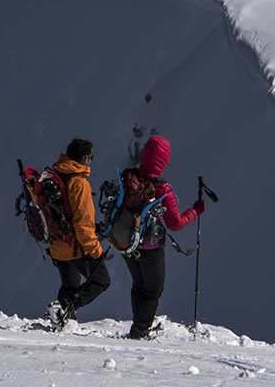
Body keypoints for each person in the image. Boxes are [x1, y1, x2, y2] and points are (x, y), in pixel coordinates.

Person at [123, 135, 205, 339]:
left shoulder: (129, 179)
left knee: (138, 285)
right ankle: (140, 331)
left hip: (127, 243)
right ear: (163, 160)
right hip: (151, 248)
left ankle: (138, 325)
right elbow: (175, 224)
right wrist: (196, 211)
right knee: (153, 289)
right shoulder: (162, 189)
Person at [46, 138, 110, 323]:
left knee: (70, 286)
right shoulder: (78, 183)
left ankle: (63, 320)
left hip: (56, 245)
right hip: (75, 247)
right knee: (102, 281)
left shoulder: (56, 177)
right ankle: (63, 308)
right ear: (85, 158)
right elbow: (83, 224)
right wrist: (95, 250)